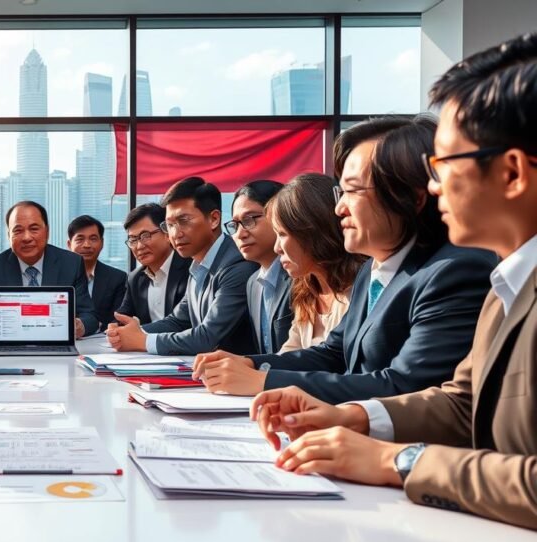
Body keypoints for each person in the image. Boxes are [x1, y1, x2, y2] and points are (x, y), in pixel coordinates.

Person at [252, 31, 537, 530]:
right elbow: (461, 401)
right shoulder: (507, 282)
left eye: (444, 165)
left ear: (512, 173)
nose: (431, 185)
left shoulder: (462, 272)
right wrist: (354, 418)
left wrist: (397, 460)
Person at [194, 116, 496, 402]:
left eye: (353, 191)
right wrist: (251, 364)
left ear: (412, 197)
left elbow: (404, 386)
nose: (339, 209)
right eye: (341, 192)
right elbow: (333, 353)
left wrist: (264, 382)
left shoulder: (452, 272)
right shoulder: (373, 269)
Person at [195, 173, 364, 393]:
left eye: (282, 234)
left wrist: (258, 376)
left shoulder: (362, 288)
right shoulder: (306, 290)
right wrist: (247, 363)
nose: (277, 248)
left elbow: (340, 368)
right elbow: (291, 355)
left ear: (313, 231)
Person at [107, 177, 257, 355]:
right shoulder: (197, 265)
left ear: (214, 219)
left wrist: (143, 340)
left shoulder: (237, 265)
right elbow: (177, 321)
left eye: (184, 221)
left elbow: (207, 338)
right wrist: (130, 333)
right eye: (169, 225)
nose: (175, 233)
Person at [0, 201, 98, 337]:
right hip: (11, 344)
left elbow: (90, 316)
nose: (27, 237)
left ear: (47, 232)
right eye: (18, 230)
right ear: (8, 235)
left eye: (34, 229)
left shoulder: (71, 263)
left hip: (55, 342)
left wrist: (80, 326)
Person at [225, 180, 293, 354]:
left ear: (279, 215)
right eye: (235, 225)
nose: (240, 234)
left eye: (249, 220)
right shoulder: (252, 284)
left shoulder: (300, 276)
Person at [117, 203, 191, 325]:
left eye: (145, 236)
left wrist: (140, 333)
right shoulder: (135, 278)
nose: (139, 246)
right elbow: (123, 316)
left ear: (167, 233)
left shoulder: (190, 268)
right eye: (133, 240)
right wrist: (114, 328)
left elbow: (185, 323)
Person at [67, 214, 126, 332]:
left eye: (93, 239)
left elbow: (118, 318)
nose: (87, 245)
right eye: (80, 239)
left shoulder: (117, 278)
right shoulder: (59, 275)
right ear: (69, 244)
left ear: (102, 243)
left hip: (103, 343)